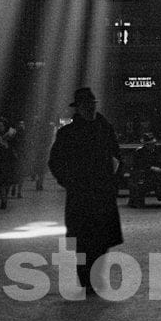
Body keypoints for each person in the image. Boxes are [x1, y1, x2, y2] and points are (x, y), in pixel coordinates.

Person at [48, 87, 123, 293]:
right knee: (83, 239)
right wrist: (69, 182)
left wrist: (112, 180)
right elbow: (55, 162)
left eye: (92, 104)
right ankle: (87, 278)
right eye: (87, 105)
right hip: (82, 193)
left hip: (100, 192)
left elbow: (116, 155)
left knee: (101, 238)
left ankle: (95, 275)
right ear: (79, 107)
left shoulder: (104, 128)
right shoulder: (69, 133)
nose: (90, 108)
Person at [128, 130, 161, 207]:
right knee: (152, 178)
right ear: (145, 144)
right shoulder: (140, 153)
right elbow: (138, 165)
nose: (151, 146)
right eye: (148, 144)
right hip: (148, 175)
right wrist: (151, 168)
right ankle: (160, 194)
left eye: (152, 143)